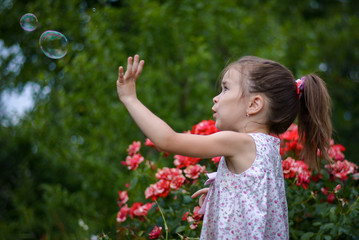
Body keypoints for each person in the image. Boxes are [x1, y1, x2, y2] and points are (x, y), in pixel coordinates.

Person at [116, 55, 332, 239]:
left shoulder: (240, 142)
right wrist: (220, 191)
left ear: (254, 104)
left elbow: (168, 140)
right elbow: (254, 201)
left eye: (226, 88)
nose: (216, 98)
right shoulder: (269, 147)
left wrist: (130, 98)